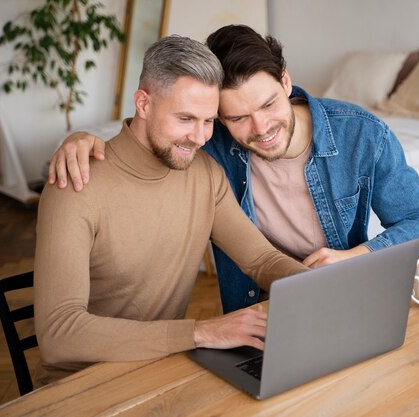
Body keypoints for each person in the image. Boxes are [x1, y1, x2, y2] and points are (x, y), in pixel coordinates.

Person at [47, 25, 419, 314]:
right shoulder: (209, 140)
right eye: (236, 117)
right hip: (251, 311)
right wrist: (79, 138)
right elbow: (156, 127)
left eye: (269, 105)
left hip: (334, 292)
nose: (260, 129)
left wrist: (357, 257)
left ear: (286, 81)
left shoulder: (361, 134)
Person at [33, 34, 309, 386]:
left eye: (209, 121)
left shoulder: (205, 174)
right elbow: (60, 334)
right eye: (185, 118)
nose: (199, 137)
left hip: (161, 370)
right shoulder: (77, 183)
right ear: (143, 104)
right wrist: (200, 333)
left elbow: (261, 261)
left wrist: (320, 288)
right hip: (82, 387)